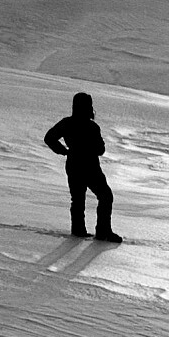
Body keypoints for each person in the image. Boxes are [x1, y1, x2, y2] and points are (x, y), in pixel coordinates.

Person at [44, 92, 122, 243]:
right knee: (105, 196)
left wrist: (64, 151)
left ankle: (80, 231)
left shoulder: (67, 123)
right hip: (90, 166)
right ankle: (102, 231)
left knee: (79, 200)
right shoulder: (92, 126)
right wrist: (66, 150)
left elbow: (49, 138)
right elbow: (101, 150)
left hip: (74, 164)